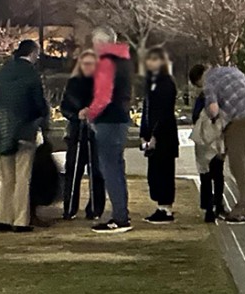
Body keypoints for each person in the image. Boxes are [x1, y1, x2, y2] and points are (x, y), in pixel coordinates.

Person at [189, 63, 245, 225]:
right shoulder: (231, 70)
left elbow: (213, 110)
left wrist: (210, 119)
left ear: (199, 80)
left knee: (238, 164)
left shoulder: (209, 81)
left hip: (242, 119)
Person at [0, 40, 50, 233]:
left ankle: (2, 217)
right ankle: (20, 220)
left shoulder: (3, 73)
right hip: (25, 129)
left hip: (3, 129)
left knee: (6, 177)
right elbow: (38, 104)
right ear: (33, 53)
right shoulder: (31, 75)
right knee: (23, 177)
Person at [81, 26, 133, 234]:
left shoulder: (106, 62)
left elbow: (103, 96)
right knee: (117, 168)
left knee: (110, 169)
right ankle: (121, 213)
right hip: (120, 118)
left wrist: (90, 112)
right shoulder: (123, 61)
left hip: (108, 120)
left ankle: (120, 217)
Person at [60, 50, 105, 221]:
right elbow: (65, 107)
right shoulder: (73, 84)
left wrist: (92, 112)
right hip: (76, 133)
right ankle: (70, 207)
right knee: (73, 170)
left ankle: (95, 208)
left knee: (96, 172)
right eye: (84, 63)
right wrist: (76, 114)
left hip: (95, 133)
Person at [140, 47, 179, 224]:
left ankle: (166, 208)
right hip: (152, 134)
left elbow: (164, 112)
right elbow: (146, 110)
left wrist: (155, 135)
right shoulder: (151, 82)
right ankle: (160, 206)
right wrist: (144, 134)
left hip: (165, 135)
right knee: (154, 173)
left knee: (164, 171)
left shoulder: (167, 83)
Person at [190, 92, 226, 223]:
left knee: (206, 175)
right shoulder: (221, 99)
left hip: (204, 142)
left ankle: (208, 207)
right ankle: (217, 205)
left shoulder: (202, 98)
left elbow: (194, 117)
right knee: (217, 175)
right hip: (216, 141)